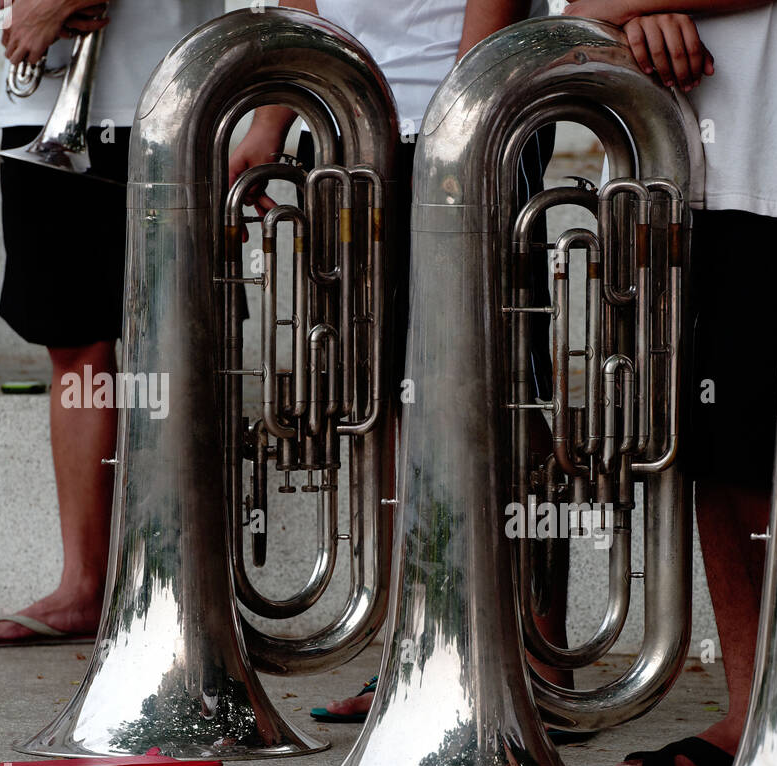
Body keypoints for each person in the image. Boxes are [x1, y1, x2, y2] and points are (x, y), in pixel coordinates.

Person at [556, 0, 777, 766]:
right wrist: (637, 15)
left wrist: (610, 5)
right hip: (673, 153)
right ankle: (755, 712)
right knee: (712, 453)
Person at [229, 0, 553, 723]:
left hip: (469, 106)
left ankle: (530, 655)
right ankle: (418, 650)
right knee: (380, 393)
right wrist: (272, 123)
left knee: (495, 384)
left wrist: (462, 106)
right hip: (348, 121)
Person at [0, 0, 223, 647]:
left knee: (177, 347)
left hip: (159, 96)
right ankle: (84, 586)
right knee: (74, 346)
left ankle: (177, 581)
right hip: (42, 103)